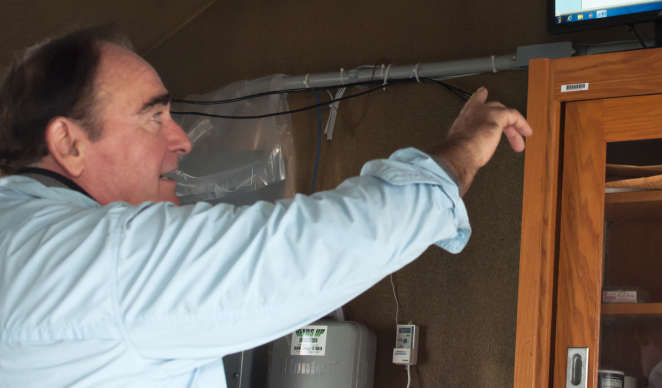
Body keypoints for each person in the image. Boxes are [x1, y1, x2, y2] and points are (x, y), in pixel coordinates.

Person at [0, 26, 532, 387]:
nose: (182, 139)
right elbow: (306, 249)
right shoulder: (99, 261)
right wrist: (458, 157)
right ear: (69, 144)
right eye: (153, 117)